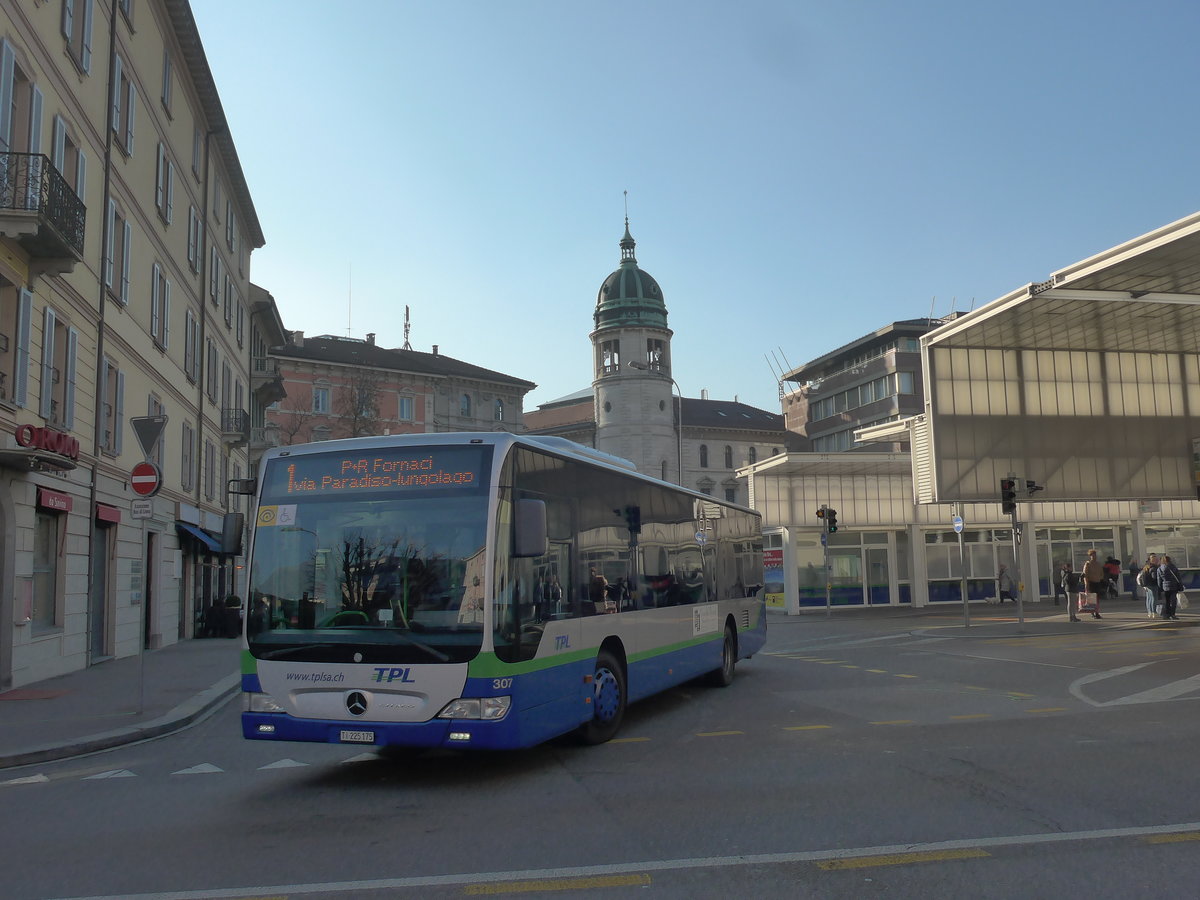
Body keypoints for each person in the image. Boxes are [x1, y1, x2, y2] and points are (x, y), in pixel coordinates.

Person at [1157, 554, 1183, 620]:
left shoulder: (1159, 569)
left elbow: (1159, 580)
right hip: (1174, 586)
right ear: (1169, 560)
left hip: (1165, 587)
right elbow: (1178, 577)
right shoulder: (1173, 567)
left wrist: (1160, 589)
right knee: (1173, 601)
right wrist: (1180, 586)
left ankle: (1166, 615)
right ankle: (1172, 614)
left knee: (1167, 601)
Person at [1081, 549, 1105, 619]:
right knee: (1091, 599)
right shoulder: (1088, 564)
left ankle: (1096, 612)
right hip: (1090, 583)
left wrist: (1100, 578)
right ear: (1090, 556)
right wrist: (1086, 584)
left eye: (1095, 555)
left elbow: (1101, 573)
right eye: (1092, 555)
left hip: (1097, 583)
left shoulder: (1098, 564)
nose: (1094, 556)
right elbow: (1085, 575)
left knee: (1097, 599)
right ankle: (1093, 612)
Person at [1138, 553, 1160, 619]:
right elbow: (1154, 577)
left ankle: (1149, 612)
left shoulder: (1146, 566)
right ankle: (1154, 612)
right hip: (1153, 584)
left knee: (1149, 599)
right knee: (1154, 598)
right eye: (1155, 558)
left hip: (1147, 584)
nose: (1156, 560)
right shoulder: (1154, 567)